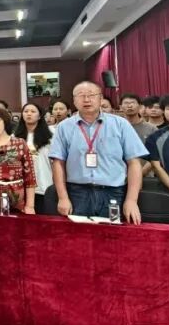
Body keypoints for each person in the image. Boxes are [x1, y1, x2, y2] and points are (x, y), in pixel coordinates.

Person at [50, 81, 148, 223]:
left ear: (100, 98)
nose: (86, 99)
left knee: (111, 232)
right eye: (81, 95)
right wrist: (63, 197)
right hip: (77, 193)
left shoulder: (120, 124)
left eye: (91, 95)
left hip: (113, 193)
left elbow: (134, 163)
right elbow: (58, 163)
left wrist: (131, 200)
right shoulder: (64, 127)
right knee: (78, 233)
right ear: (74, 101)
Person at [14, 102, 53, 210]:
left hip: (44, 184)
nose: (29, 114)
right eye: (26, 111)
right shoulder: (14, 138)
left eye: (33, 111)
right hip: (21, 187)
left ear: (40, 116)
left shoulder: (50, 137)